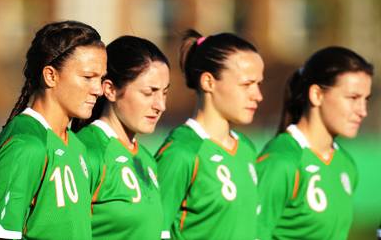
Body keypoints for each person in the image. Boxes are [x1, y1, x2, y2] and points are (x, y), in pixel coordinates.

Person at [0, 20, 107, 239]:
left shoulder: (76, 145)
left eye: (101, 78)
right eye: (88, 77)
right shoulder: (26, 145)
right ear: (51, 76)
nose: (98, 90)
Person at [155, 29, 264, 240]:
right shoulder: (181, 152)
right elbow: (156, 231)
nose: (257, 95)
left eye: (258, 84)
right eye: (246, 84)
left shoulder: (246, 149)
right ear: (209, 82)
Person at [256, 46, 373, 240]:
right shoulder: (282, 161)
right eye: (353, 98)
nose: (363, 111)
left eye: (366, 99)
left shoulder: (345, 164)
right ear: (316, 94)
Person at [72, 35, 170, 240]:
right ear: (110, 89)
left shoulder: (146, 159)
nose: (160, 105)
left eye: (164, 93)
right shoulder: (86, 151)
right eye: (149, 92)